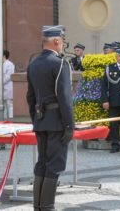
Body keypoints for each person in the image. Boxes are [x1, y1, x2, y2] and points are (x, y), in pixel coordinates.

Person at [27, 25, 74, 210]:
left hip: (41, 121)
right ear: (56, 41)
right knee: (55, 165)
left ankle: (38, 207)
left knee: (42, 163)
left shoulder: (34, 63)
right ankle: (47, 207)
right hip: (56, 122)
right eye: (62, 42)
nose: (62, 45)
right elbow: (65, 97)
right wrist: (69, 126)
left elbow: (29, 97)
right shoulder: (60, 63)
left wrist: (35, 119)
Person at [3, 50, 15, 119]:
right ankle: (4, 119)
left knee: (9, 104)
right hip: (3, 87)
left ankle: (10, 118)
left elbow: (8, 76)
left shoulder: (10, 64)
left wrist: (1, 82)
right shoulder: (1, 64)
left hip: (8, 87)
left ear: (4, 56)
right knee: (4, 104)